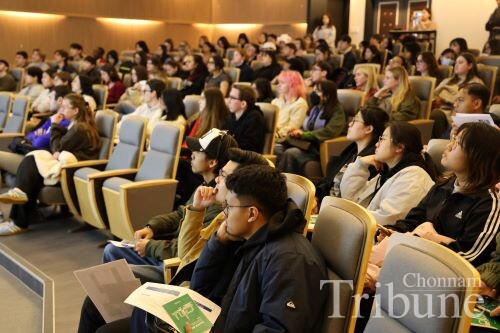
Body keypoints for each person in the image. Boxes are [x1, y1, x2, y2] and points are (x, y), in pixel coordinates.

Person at [77, 148, 271, 333]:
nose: (218, 179)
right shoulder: (223, 217)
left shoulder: (238, 225)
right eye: (219, 173)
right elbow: (186, 255)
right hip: (184, 287)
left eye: (224, 175)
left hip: (191, 299)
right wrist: (196, 209)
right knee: (95, 301)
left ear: (241, 184)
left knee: (114, 323)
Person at [189, 164, 327, 332]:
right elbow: (200, 291)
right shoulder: (250, 243)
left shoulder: (290, 260)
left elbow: (276, 329)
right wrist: (219, 243)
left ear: (252, 214)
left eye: (229, 207)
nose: (225, 215)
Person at [374, 123, 499, 268]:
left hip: (436, 276)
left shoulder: (488, 204)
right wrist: (393, 232)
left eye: (457, 143)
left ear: (478, 156)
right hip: (412, 258)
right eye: (452, 139)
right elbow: (413, 220)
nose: (448, 146)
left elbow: (468, 259)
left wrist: (430, 240)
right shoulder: (444, 185)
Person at [0, 94, 101, 235]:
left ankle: (18, 221)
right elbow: (59, 147)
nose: (61, 110)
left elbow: (57, 148)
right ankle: (18, 216)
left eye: (65, 107)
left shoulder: (80, 129)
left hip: (72, 172)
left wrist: (54, 125)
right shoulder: (76, 125)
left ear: (76, 111)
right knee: (31, 162)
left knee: (31, 166)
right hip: (67, 166)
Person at [340, 122, 436, 225]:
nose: (377, 144)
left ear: (399, 147)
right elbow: (350, 199)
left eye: (383, 139)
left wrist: (345, 220)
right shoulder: (389, 172)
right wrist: (361, 165)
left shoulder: (413, 179)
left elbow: (385, 221)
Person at [315, 106, 389, 205]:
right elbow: (331, 181)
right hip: (327, 202)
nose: (350, 124)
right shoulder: (352, 151)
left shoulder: (372, 162)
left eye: (355, 121)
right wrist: (315, 196)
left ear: (368, 129)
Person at [277, 80, 346, 175]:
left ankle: (289, 183)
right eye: (313, 90)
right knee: (278, 148)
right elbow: (306, 126)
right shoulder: (314, 108)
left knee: (291, 153)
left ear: (327, 95)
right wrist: (297, 131)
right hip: (304, 144)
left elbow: (330, 132)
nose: (314, 94)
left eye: (317, 91)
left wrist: (305, 135)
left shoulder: (337, 111)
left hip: (317, 148)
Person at [224, 85, 266, 153]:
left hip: (247, 159)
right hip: (231, 155)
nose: (228, 101)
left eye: (232, 98)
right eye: (229, 97)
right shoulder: (231, 117)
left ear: (243, 104)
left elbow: (249, 147)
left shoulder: (255, 118)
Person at [272, 70, 308, 137]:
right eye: (278, 82)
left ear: (292, 84)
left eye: (282, 83)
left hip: (285, 139)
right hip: (273, 135)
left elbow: (292, 128)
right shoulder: (276, 101)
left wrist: (275, 134)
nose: (278, 85)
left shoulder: (300, 104)